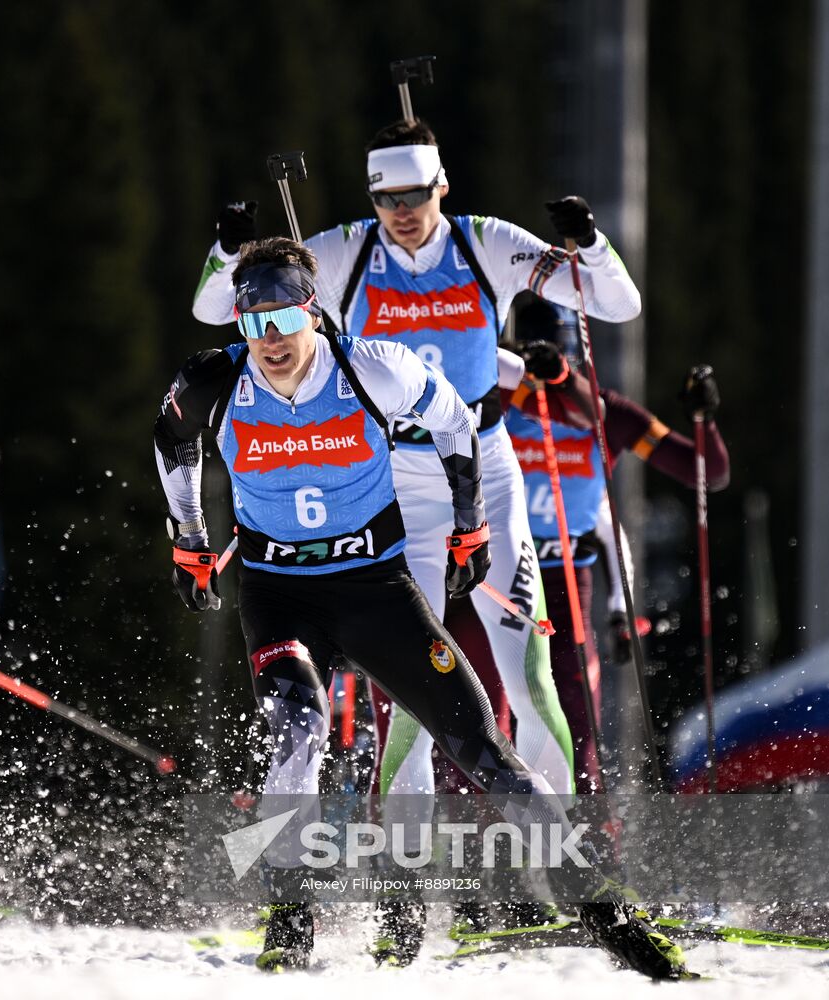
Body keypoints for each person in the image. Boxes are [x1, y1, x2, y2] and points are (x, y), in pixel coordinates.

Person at [158, 237, 689, 978]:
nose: (270, 342)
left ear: (314, 311)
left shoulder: (373, 367)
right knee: (300, 736)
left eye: (283, 320)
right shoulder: (215, 381)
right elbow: (171, 440)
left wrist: (470, 521)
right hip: (280, 595)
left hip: (377, 588)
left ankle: (601, 906)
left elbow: (455, 426)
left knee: (482, 749)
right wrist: (189, 538)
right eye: (253, 325)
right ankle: (289, 916)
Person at [192, 120, 642, 838]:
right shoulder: (344, 250)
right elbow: (220, 310)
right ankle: (405, 877)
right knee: (410, 693)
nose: (402, 211)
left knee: (530, 675)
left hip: (483, 470)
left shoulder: (483, 241)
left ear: (442, 185)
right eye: (386, 197)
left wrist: (590, 246)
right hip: (395, 480)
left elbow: (615, 304)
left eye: (415, 193)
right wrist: (227, 251)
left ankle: (567, 864)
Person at [503, 295, 730, 791]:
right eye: (531, 366)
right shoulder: (494, 399)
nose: (544, 384)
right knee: (492, 719)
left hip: (567, 580)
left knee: (576, 719)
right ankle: (488, 847)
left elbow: (708, 473)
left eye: (559, 368)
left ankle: (593, 853)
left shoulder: (610, 415)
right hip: (497, 576)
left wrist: (703, 419)